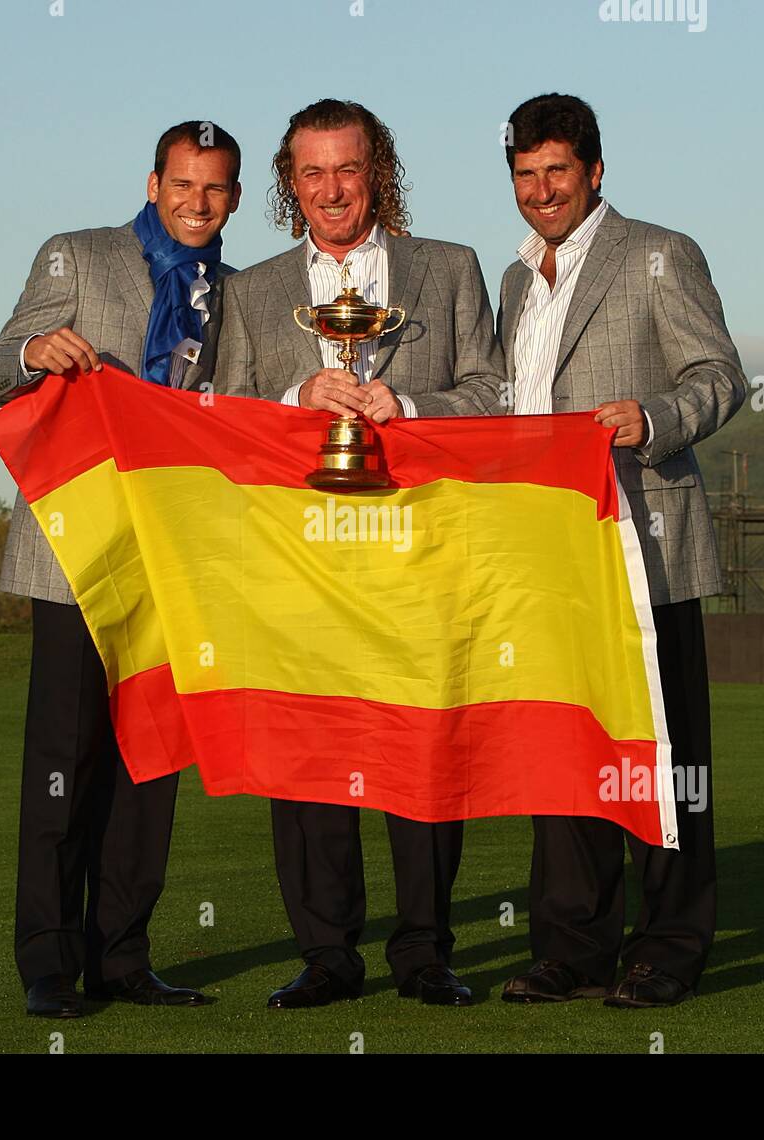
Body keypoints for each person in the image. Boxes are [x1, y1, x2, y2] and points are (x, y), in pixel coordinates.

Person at [212, 98, 506, 1008]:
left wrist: (407, 410)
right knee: (308, 753)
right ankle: (327, 952)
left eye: (348, 169)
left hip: (421, 550)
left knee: (423, 748)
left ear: (378, 170)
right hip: (302, 560)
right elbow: (223, 420)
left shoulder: (450, 269)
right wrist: (300, 392)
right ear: (287, 183)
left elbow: (494, 394)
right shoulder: (252, 289)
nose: (332, 190)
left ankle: (424, 950)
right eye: (312, 173)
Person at [0, 120, 241, 1017]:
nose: (196, 202)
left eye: (214, 188)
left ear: (234, 198)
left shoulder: (240, 295)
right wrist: (31, 352)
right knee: (65, 758)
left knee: (150, 762)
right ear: (154, 181)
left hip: (171, 561)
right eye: (182, 184)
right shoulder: (76, 257)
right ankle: (47, 962)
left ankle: (122, 955)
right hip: (73, 553)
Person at [494, 93, 746, 1008]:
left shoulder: (658, 253)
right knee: (563, 752)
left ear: (595, 171)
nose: (542, 190)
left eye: (557, 171)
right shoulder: (517, 279)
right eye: (525, 174)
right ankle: (573, 944)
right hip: (546, 556)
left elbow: (721, 376)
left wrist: (656, 419)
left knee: (666, 753)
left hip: (647, 544)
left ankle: (670, 946)